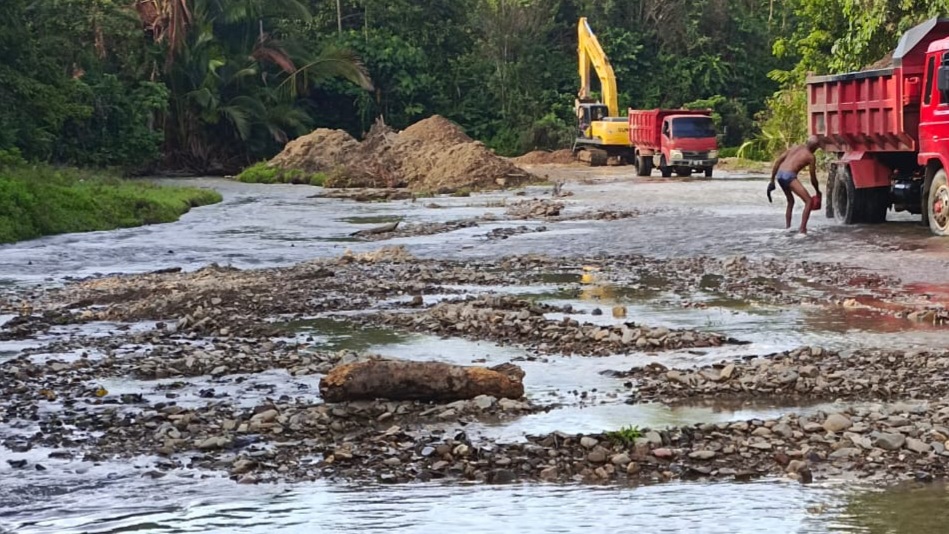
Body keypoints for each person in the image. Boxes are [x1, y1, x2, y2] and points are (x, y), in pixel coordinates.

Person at [767, 135, 823, 234]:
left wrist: (772, 180)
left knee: (790, 201)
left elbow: (778, 161)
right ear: (815, 148)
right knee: (808, 201)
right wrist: (817, 191)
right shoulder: (810, 157)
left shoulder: (795, 147)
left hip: (780, 174)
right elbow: (813, 178)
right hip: (789, 176)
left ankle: (788, 227)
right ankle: (803, 229)